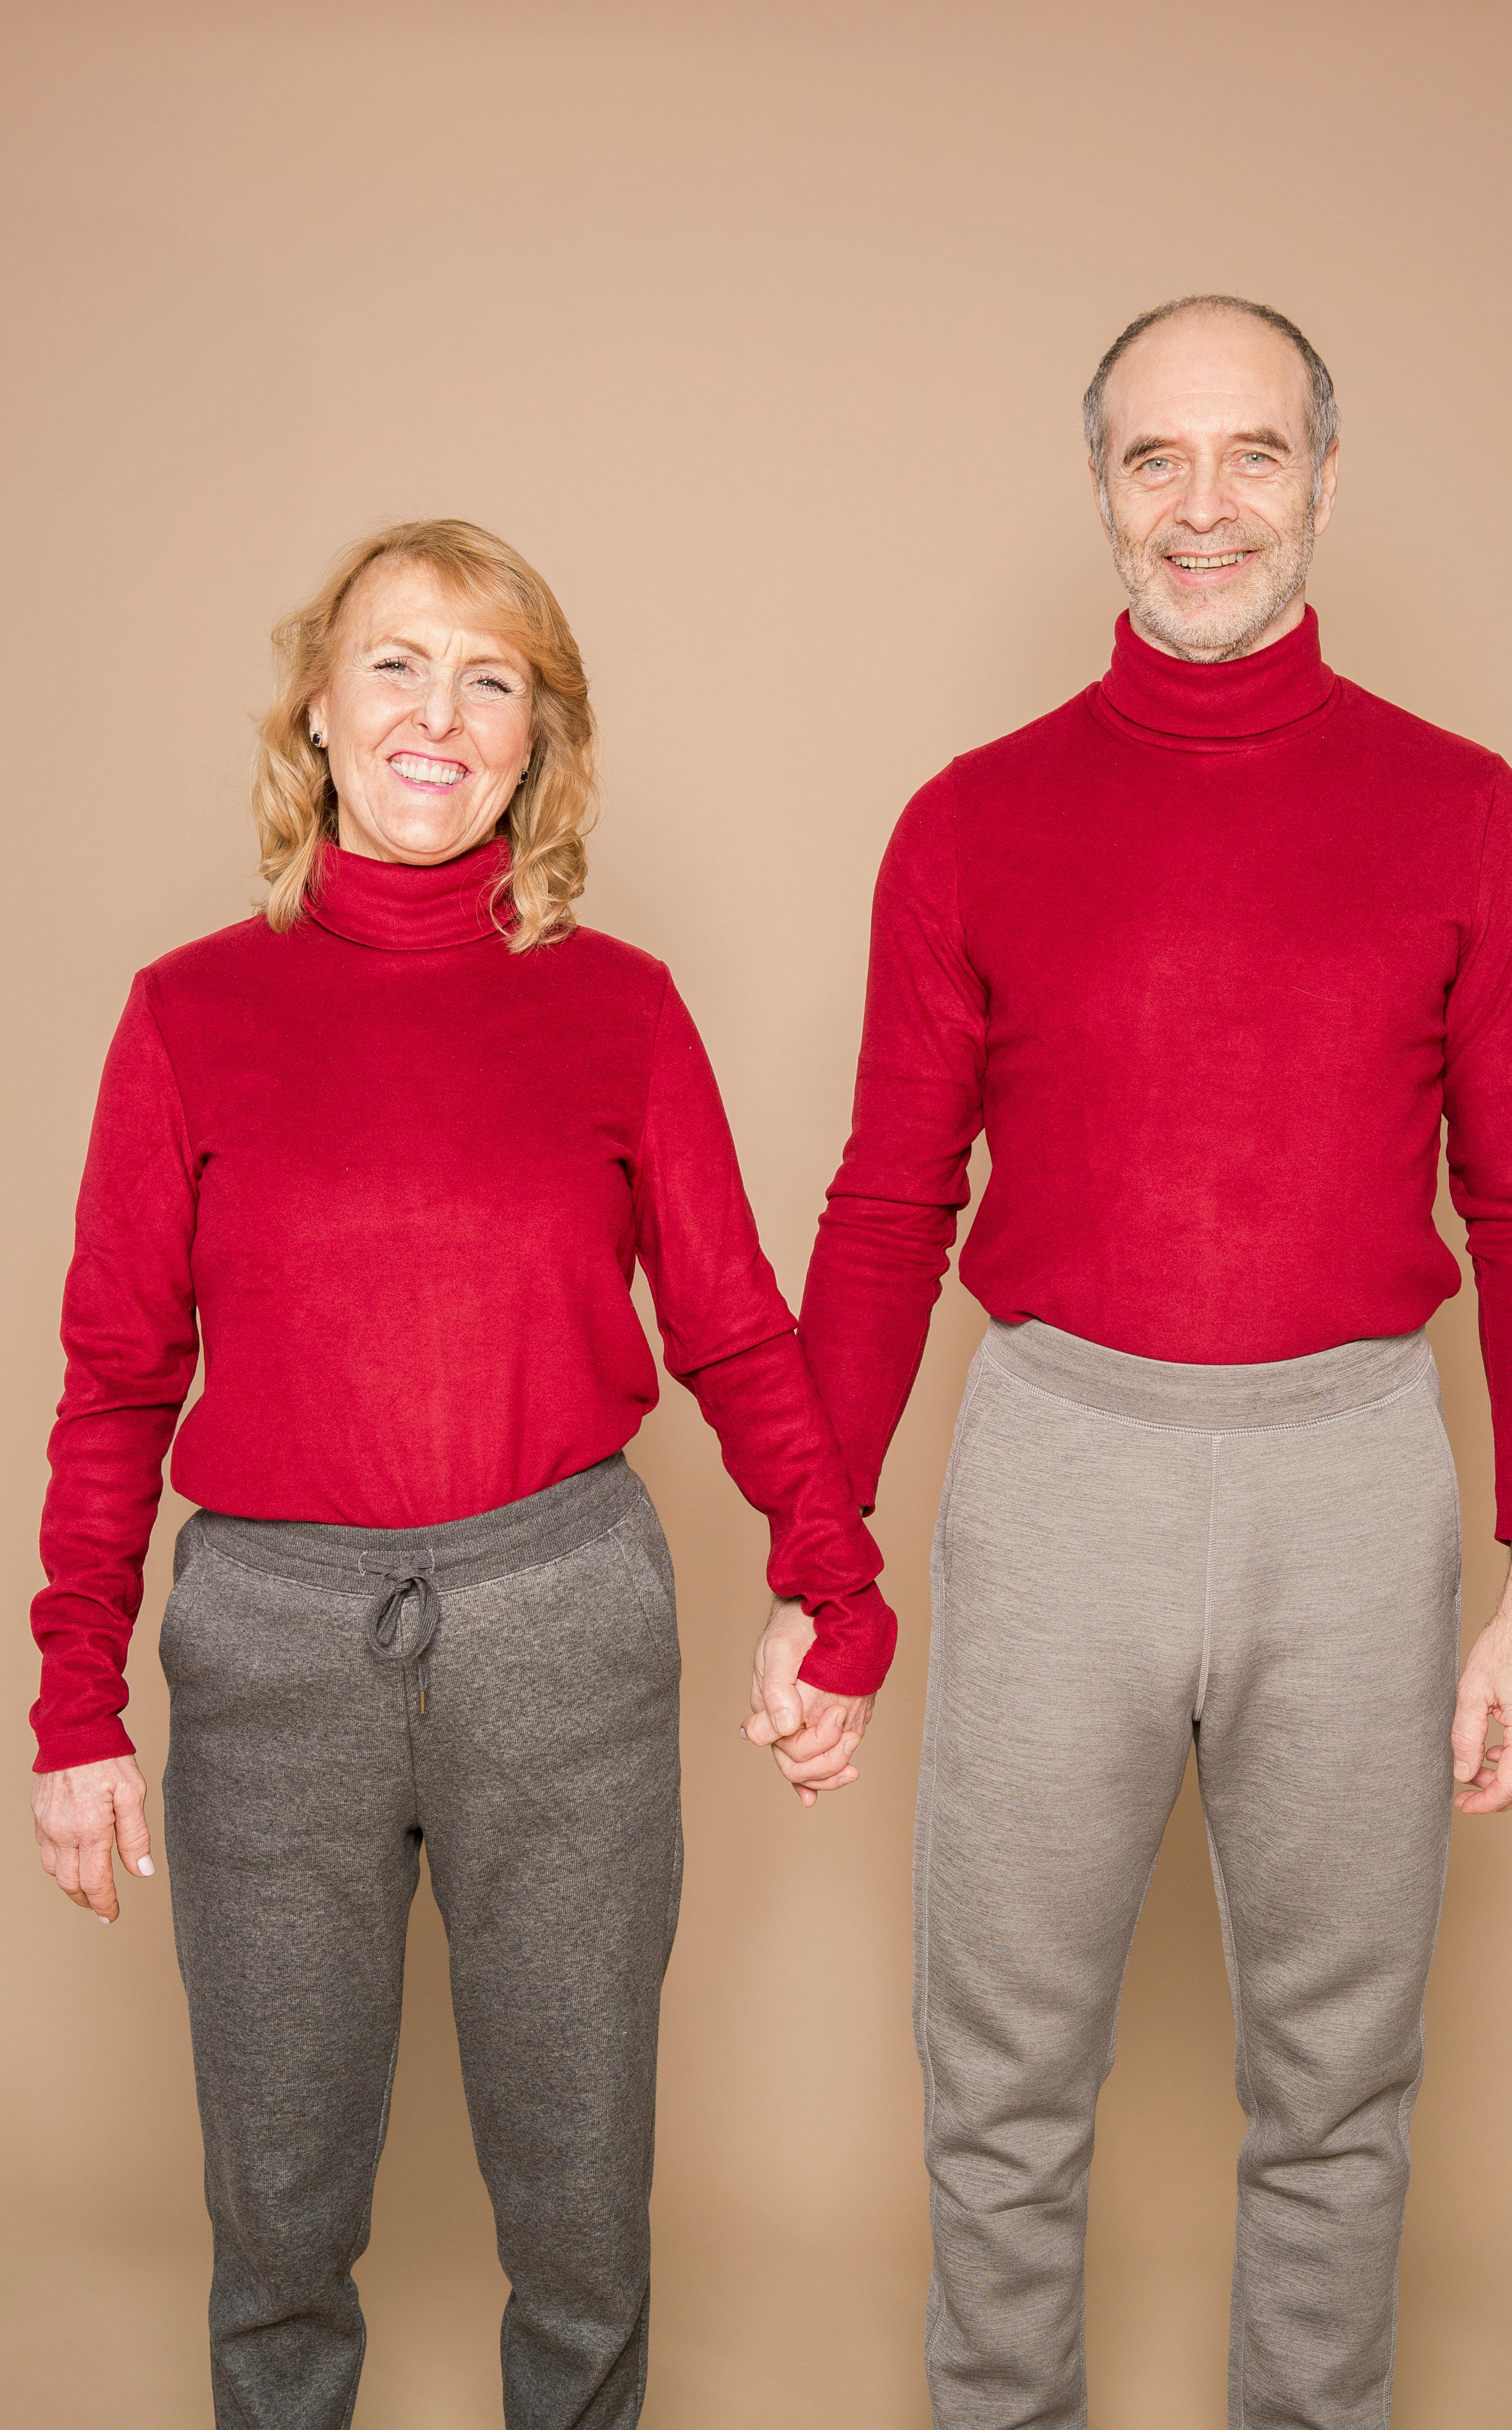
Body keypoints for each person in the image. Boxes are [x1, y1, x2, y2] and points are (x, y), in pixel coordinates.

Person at [757, 298, 1512, 2424]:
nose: (1204, 506)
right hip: (1059, 1471)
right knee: (1005, 2080)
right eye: (1156, 460)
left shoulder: (1467, 813)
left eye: (1250, 456)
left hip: (1355, 1485)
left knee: (1342, 2086)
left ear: (1325, 478)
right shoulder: (969, 822)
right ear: (1104, 494)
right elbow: (883, 1208)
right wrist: (817, 1554)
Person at [27, 518, 896, 2430]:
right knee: (277, 2212)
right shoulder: (186, 1015)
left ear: (537, 743)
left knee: (580, 2211)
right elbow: (112, 1384)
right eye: (398, 665)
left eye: (491, 677)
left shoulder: (623, 1008)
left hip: (562, 1621)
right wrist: (72, 1700)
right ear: (319, 716)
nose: (442, 712)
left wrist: (840, 1592)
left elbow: (737, 1328)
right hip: (267, 1643)